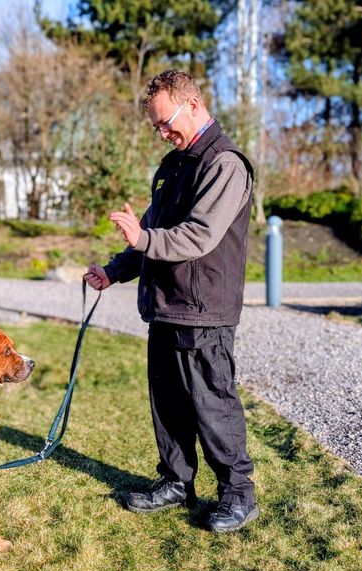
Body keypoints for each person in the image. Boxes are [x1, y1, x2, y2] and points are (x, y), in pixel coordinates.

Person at [84, 70, 258, 532]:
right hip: (165, 308)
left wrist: (143, 238)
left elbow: (197, 236)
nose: (163, 133)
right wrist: (114, 270)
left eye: (167, 123)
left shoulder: (225, 165)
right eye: (157, 127)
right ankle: (176, 482)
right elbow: (150, 232)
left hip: (204, 310)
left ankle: (238, 493)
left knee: (212, 405)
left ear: (194, 105)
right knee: (169, 406)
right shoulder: (173, 165)